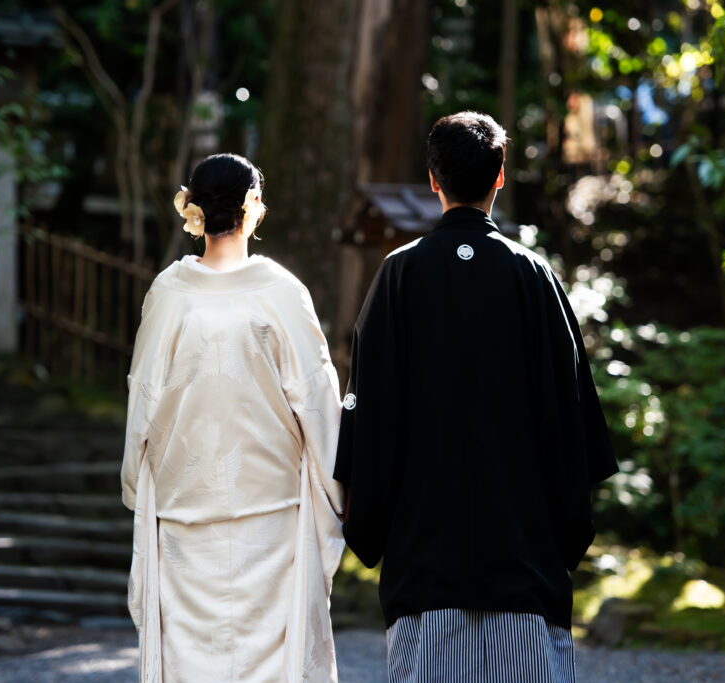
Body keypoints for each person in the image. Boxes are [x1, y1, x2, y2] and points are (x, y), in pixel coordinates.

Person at [334, 112, 618, 682]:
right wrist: (559, 541)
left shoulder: (398, 277)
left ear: (433, 180)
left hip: (425, 569)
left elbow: (371, 423)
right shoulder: (535, 278)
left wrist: (369, 530)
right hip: (526, 569)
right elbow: (572, 423)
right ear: (501, 177)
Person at [120, 153, 345, 683]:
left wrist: (138, 487)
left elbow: (142, 404)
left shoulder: (168, 295)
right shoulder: (283, 293)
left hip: (184, 522)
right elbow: (318, 405)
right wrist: (339, 495)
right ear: (253, 208)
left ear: (195, 210)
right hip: (273, 523)